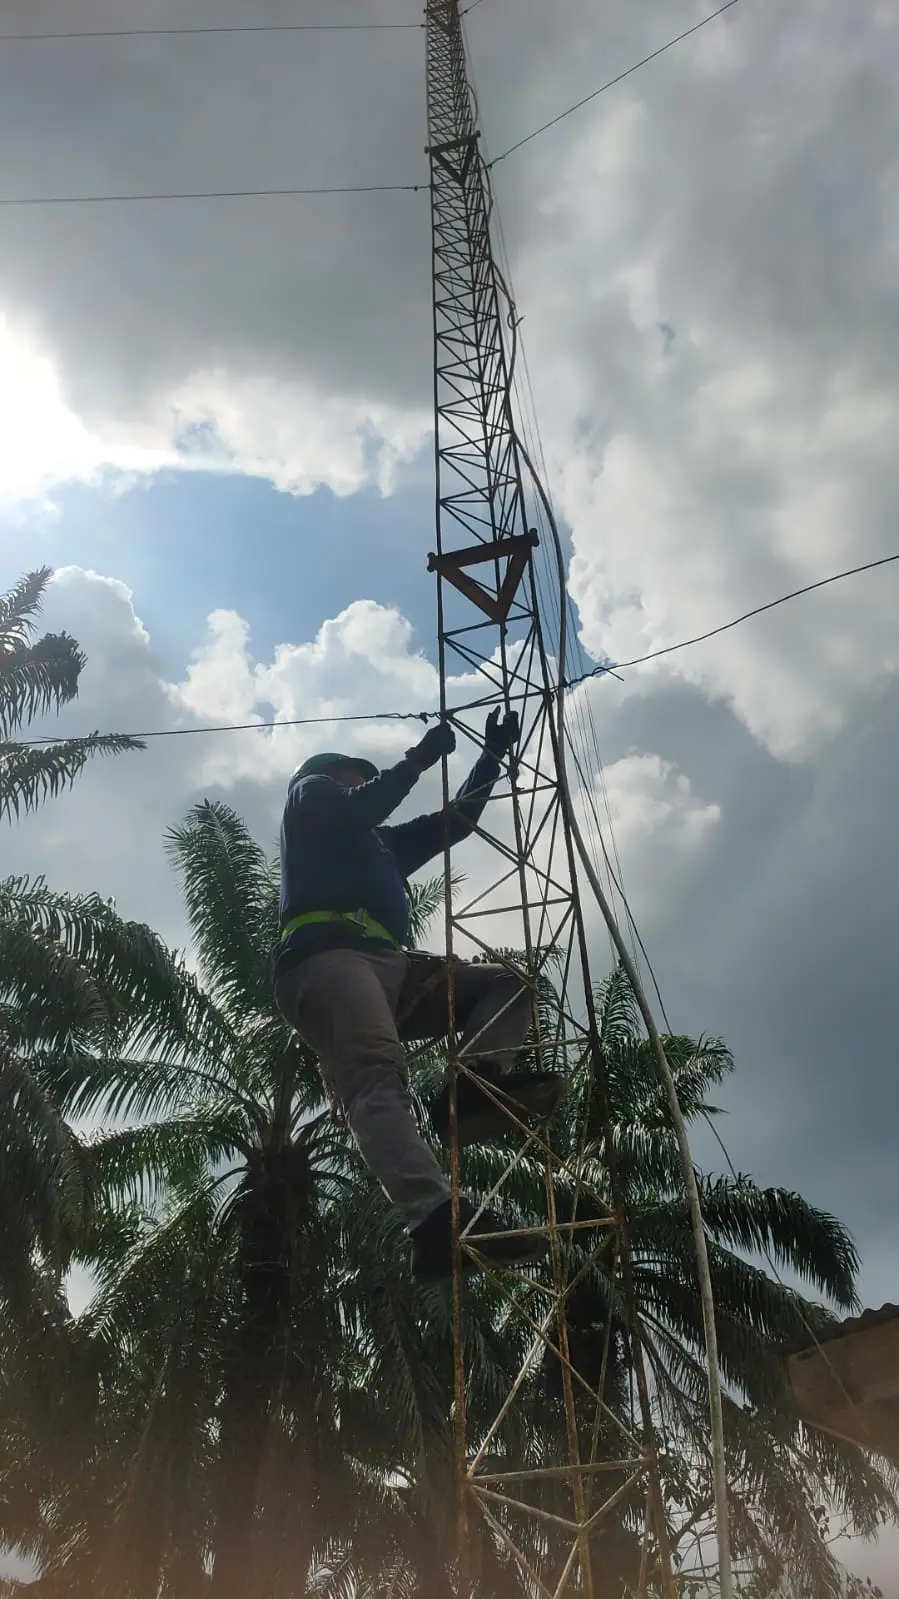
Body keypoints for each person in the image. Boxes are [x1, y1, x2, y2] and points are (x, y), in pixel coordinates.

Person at [271, 711, 565, 1281]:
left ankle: (473, 1086)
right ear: (334, 775)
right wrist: (417, 758)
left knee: (510, 985)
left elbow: (454, 824)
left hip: (388, 964)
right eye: (357, 774)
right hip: (329, 955)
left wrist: (492, 757)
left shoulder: (378, 845)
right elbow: (363, 804)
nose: (363, 781)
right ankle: (433, 1220)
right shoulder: (310, 797)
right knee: (375, 1070)